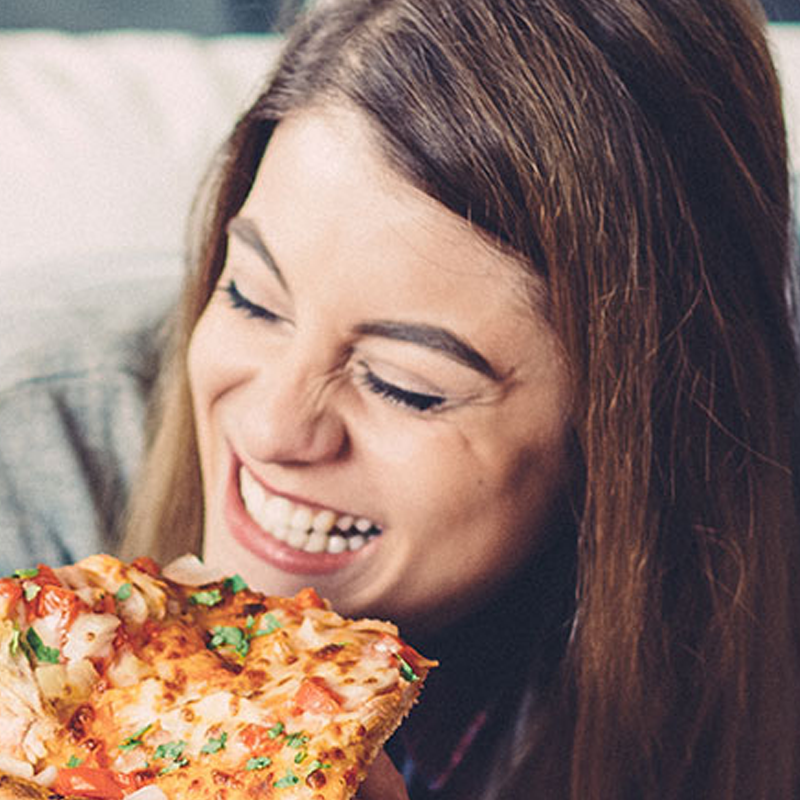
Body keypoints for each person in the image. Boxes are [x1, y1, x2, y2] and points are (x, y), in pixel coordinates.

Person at [3, 0, 799, 797]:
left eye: (403, 385)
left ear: (629, 433)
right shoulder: (29, 464)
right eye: (251, 299)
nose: (275, 426)